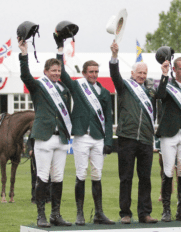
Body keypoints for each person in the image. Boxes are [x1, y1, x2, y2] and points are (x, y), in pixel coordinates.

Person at [53, 35, 114, 225]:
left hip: (98, 138)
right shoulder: (78, 86)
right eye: (91, 72)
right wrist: (60, 50)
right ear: (85, 72)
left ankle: (99, 213)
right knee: (81, 174)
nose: (94, 75)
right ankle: (79, 213)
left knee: (97, 175)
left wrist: (109, 141)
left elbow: (109, 118)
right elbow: (62, 74)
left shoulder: (104, 92)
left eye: (96, 71)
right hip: (81, 136)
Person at [109, 41, 167, 224]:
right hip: (127, 137)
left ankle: (145, 213)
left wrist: (165, 74)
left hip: (145, 139)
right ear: (132, 73)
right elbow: (114, 75)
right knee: (125, 177)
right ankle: (125, 213)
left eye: (144, 73)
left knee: (145, 178)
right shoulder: (124, 87)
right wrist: (115, 56)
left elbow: (163, 94)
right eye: (139, 72)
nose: (142, 76)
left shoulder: (150, 91)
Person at [19, 40, 72, 227]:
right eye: (53, 71)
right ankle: (40, 215)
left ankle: (55, 215)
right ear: (46, 72)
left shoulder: (64, 90)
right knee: (42, 176)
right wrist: (24, 54)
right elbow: (25, 76)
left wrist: (60, 50)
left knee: (58, 178)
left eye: (58, 70)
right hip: (44, 137)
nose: (57, 73)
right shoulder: (39, 87)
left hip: (61, 138)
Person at [155, 57, 181, 222]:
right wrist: (164, 75)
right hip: (169, 134)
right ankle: (166, 210)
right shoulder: (168, 85)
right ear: (174, 69)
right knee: (167, 171)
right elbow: (159, 95)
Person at [27, 135, 51, 204]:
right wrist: (30, 149)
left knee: (47, 176)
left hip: (46, 155)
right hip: (35, 156)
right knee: (34, 177)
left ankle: (47, 197)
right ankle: (34, 198)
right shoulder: (34, 128)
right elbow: (29, 141)